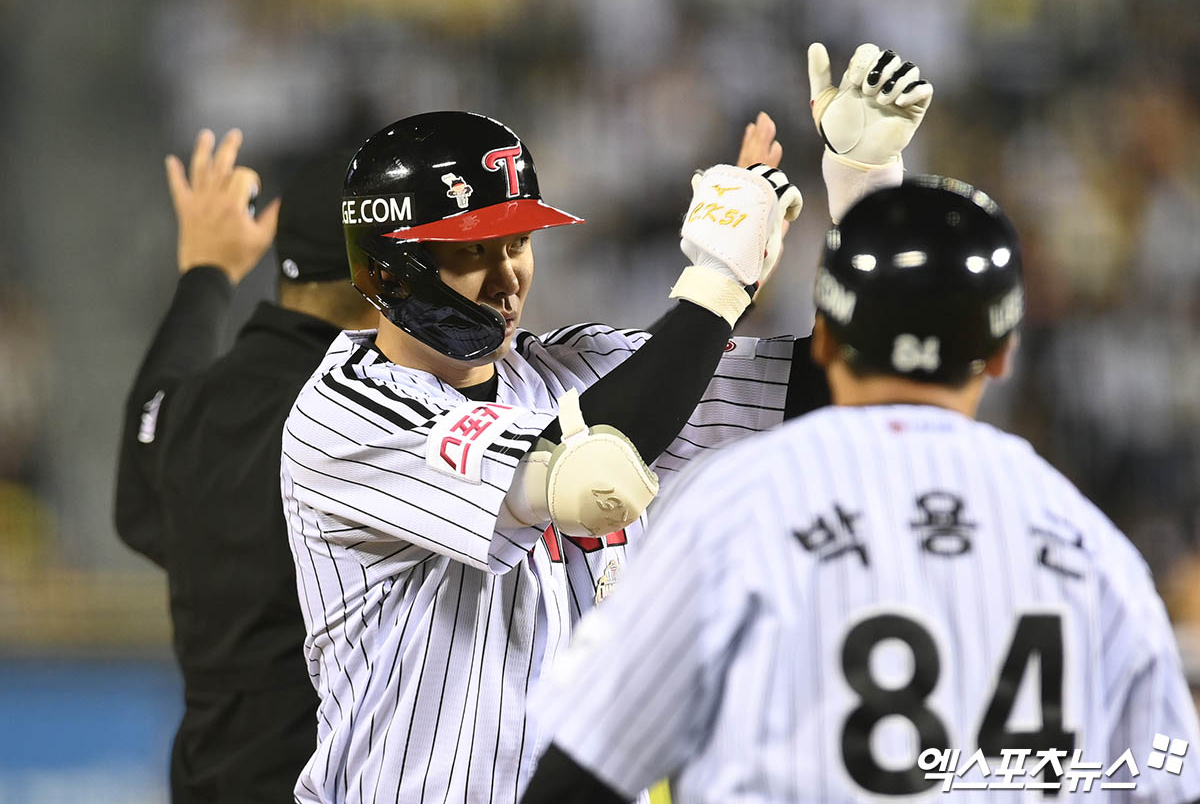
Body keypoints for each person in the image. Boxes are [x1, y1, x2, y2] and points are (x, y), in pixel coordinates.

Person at [282, 43, 932, 804]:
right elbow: (593, 475)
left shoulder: (572, 369)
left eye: (518, 242)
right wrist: (719, 278)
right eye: (473, 251)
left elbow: (847, 384)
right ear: (393, 265)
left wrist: (866, 196)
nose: (509, 275)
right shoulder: (343, 414)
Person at [521, 176, 1200, 804]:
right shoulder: (1090, 544)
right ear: (1001, 353)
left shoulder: (735, 507)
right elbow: (1170, 775)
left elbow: (580, 772)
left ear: (826, 343)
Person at [114, 129, 376, 803]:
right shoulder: (374, 423)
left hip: (207, 777)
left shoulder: (199, 406)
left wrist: (206, 272)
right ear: (386, 277)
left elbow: (150, 432)